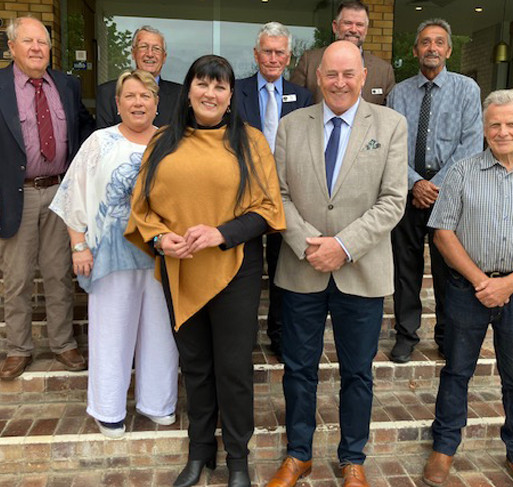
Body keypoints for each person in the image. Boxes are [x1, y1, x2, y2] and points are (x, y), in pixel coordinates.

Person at [125, 55, 285, 487]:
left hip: (235, 268)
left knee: (233, 369)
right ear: (189, 90)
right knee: (194, 366)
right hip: (181, 268)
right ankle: (199, 453)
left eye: (220, 86)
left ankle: (237, 458)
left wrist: (221, 233)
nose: (210, 93)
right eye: (202, 83)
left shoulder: (250, 142)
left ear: (231, 96)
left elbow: (268, 209)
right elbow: (142, 209)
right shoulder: (163, 142)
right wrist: (159, 239)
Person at [267, 41, 407, 487]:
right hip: (302, 266)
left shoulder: (390, 125)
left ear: (364, 76)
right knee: (299, 368)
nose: (340, 82)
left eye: (349, 74)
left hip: (360, 271)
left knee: (357, 373)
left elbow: (392, 202)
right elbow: (279, 194)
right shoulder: (291, 126)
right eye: (332, 74)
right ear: (318, 76)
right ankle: (299, 455)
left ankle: (353, 459)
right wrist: (311, 245)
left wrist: (342, 246)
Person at [422, 89, 513, 487]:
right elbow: (443, 234)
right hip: (467, 288)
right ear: (485, 128)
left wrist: (508, 285)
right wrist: (482, 282)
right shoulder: (462, 172)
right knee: (455, 371)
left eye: (511, 124)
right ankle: (444, 447)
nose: (502, 131)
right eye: (494, 124)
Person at [0, 16, 94, 381]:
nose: (36, 48)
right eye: (28, 41)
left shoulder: (67, 84)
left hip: (61, 192)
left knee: (60, 273)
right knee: (18, 277)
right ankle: (18, 348)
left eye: (42, 42)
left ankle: (63, 344)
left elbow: (86, 132)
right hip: (15, 195)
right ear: (12, 47)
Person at [49, 70, 179, 438]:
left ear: (156, 103)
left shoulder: (171, 142)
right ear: (117, 103)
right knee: (111, 331)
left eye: (146, 96)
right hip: (110, 255)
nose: (138, 102)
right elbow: (74, 194)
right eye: (131, 96)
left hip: (161, 255)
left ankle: (158, 402)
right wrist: (78, 245)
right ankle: (108, 407)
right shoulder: (98, 143)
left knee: (161, 332)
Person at [386, 18, 483, 363]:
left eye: (439, 42)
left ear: (449, 50)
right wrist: (415, 183)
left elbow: (470, 145)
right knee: (405, 267)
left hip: (449, 193)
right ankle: (406, 334)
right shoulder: (399, 93)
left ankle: (446, 335)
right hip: (408, 189)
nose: (432, 48)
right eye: (425, 42)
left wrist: (435, 185)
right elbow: (391, 146)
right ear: (415, 51)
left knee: (449, 270)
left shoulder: (467, 90)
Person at [234, 21, 313, 359]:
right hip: (244, 197)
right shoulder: (236, 91)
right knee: (245, 269)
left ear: (288, 56)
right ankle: (244, 334)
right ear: (256, 54)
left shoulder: (304, 95)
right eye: (267, 50)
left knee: (283, 267)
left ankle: (279, 334)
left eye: (279, 52)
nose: (272, 57)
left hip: (286, 196)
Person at [290, 0, 395, 105]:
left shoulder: (384, 70)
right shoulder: (310, 61)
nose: (354, 29)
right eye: (348, 23)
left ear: (366, 30)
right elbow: (294, 103)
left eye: (359, 24)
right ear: (335, 26)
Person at [96, 25, 181, 128]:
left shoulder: (180, 95)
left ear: (164, 57)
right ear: (133, 53)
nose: (150, 54)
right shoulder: (107, 92)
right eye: (144, 47)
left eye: (156, 49)